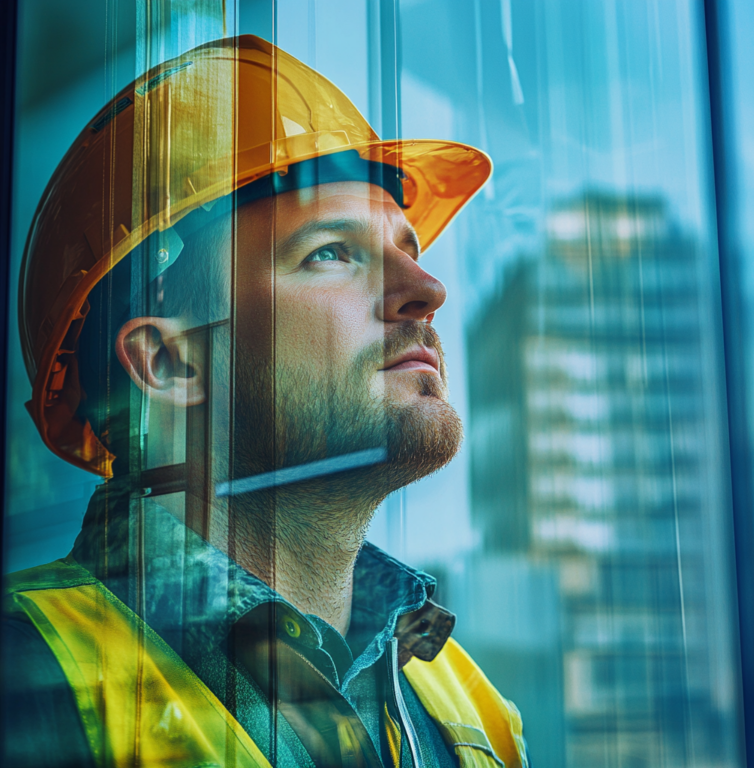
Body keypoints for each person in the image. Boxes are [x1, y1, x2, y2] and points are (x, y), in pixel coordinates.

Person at [3, 35, 529, 768]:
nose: (427, 292)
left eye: (408, 250)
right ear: (169, 360)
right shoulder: (27, 682)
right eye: (330, 254)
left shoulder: (464, 703)